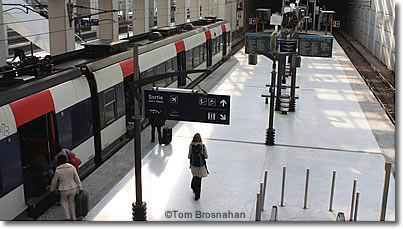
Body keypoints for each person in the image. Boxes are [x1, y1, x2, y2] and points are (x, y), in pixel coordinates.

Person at [50, 154, 83, 221]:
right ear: (66, 160)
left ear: (58, 161)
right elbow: (77, 178)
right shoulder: (72, 167)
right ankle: (74, 217)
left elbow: (54, 181)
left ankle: (67, 217)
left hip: (63, 189)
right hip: (72, 188)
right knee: (72, 202)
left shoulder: (58, 170)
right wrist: (80, 188)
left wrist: (52, 189)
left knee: (64, 202)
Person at [188, 133, 209, 200]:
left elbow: (189, 156)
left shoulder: (191, 146)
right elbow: (206, 156)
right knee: (199, 180)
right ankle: (197, 195)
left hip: (193, 165)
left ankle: (193, 187)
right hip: (200, 165)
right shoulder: (203, 146)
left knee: (194, 177)